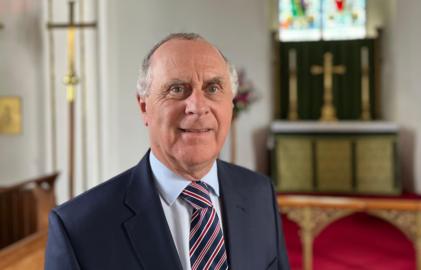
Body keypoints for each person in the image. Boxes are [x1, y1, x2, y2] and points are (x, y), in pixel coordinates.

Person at [45, 33, 290, 270]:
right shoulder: (79, 228)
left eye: (213, 88)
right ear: (144, 107)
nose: (198, 107)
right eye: (176, 89)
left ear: (231, 104)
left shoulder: (259, 194)